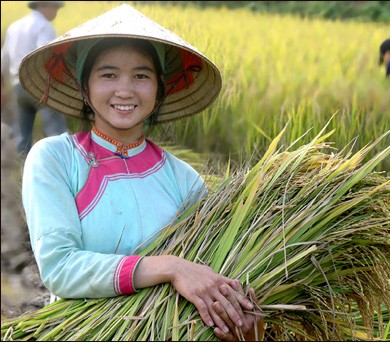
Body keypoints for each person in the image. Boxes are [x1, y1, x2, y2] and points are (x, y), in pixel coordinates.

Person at [19, 4, 264, 341]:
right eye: (108, 74)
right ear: (84, 88)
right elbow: (60, 268)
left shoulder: (184, 179)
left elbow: (209, 277)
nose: (125, 90)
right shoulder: (55, 159)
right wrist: (170, 266)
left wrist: (245, 325)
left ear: (159, 89)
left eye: (141, 75)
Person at [1, 1, 68, 155]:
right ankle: (60, 170)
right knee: (57, 134)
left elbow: (3, 61)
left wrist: (3, 87)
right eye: (55, 8)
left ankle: (23, 174)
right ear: (44, 6)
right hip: (39, 86)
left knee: (22, 137)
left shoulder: (14, 27)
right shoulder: (44, 26)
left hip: (18, 87)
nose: (56, 11)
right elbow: (44, 56)